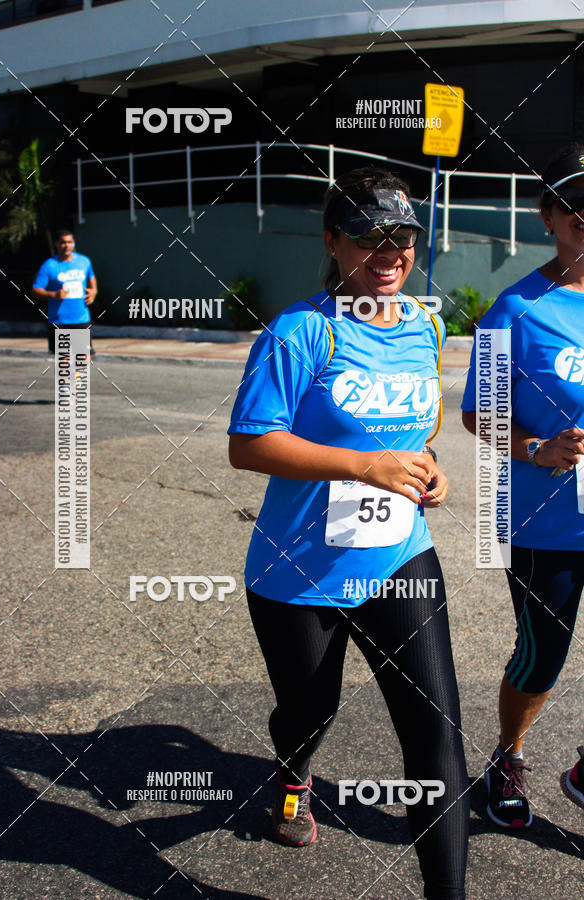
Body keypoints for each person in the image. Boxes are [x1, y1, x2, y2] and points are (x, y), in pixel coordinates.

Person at [228, 167, 469, 899]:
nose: (389, 251)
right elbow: (249, 442)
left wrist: (429, 471)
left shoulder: (427, 325)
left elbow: (418, 435)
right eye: (368, 236)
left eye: (402, 236)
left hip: (400, 556)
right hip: (298, 571)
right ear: (333, 242)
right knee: (309, 711)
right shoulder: (302, 330)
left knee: (436, 732)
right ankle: (295, 769)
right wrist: (362, 465)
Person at [461, 143, 584, 830]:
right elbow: (479, 412)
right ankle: (507, 757)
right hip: (546, 516)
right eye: (574, 204)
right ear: (548, 216)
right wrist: (538, 448)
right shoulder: (515, 310)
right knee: (544, 651)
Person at [32, 229, 97, 355]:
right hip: (58, 321)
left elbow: (91, 278)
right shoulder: (49, 265)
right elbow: (36, 290)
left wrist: (94, 292)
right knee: (64, 362)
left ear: (74, 243)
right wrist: (54, 295)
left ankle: (78, 375)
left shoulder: (84, 261)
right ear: (56, 244)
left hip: (81, 319)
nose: (67, 245)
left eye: (70, 242)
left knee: (83, 358)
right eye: (63, 242)